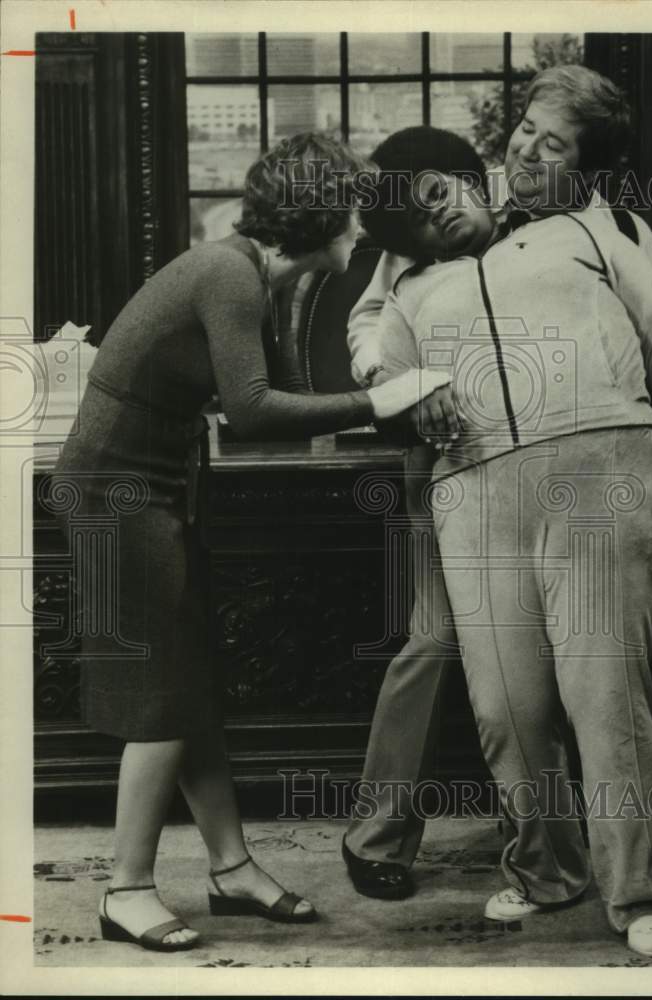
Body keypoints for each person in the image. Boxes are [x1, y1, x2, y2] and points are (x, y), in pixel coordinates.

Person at [50, 132, 451, 953]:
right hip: (115, 495)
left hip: (151, 487)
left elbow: (267, 399)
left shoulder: (252, 269)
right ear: (322, 222)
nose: (362, 229)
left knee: (187, 685)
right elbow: (255, 409)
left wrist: (373, 393)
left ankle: (230, 867)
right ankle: (124, 890)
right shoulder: (230, 273)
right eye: (353, 214)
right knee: (162, 698)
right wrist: (387, 399)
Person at [368, 66, 652, 958]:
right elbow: (380, 374)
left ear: (588, 166)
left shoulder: (598, 232)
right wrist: (412, 394)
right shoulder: (410, 282)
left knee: (604, 692)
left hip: (603, 465)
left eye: (553, 142)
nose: (526, 148)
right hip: (476, 487)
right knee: (505, 706)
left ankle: (642, 890)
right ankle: (546, 868)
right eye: (524, 130)